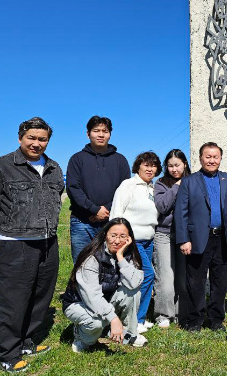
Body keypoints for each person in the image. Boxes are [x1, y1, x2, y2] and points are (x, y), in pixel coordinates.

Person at [0, 117, 64, 373]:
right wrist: (3, 233)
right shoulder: (1, 166)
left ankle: (27, 341)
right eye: (31, 138)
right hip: (16, 245)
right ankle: (7, 353)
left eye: (42, 139)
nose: (37, 144)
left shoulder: (54, 168)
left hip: (48, 242)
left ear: (48, 140)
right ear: (20, 137)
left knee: (39, 296)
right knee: (11, 300)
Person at [174, 142, 227, 332]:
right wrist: (184, 239)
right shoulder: (189, 181)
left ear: (220, 158)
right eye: (208, 156)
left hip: (223, 238)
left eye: (215, 157)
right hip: (197, 238)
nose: (212, 160)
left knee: (220, 281)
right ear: (200, 158)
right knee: (195, 281)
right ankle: (195, 320)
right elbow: (180, 213)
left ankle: (216, 320)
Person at [61, 218, 147, 351]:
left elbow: (134, 284)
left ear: (129, 238)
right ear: (105, 235)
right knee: (96, 322)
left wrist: (120, 257)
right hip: (79, 302)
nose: (117, 241)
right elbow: (92, 297)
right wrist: (113, 318)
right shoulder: (92, 258)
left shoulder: (128, 254)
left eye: (122, 236)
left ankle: (129, 333)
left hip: (105, 300)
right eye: (113, 236)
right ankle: (81, 335)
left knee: (133, 292)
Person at [66, 116, 131, 262]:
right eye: (96, 131)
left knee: (111, 266)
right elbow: (73, 188)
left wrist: (105, 211)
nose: (101, 134)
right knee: (82, 266)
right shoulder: (77, 159)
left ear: (110, 134)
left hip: (111, 223)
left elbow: (125, 190)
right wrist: (94, 210)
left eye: (105, 131)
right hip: (82, 222)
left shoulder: (120, 160)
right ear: (88, 134)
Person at [110, 151, 161, 334]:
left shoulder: (153, 188)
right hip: (133, 240)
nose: (150, 168)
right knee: (146, 275)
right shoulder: (128, 185)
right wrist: (119, 239)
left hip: (149, 239)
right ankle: (133, 320)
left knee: (144, 278)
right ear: (138, 166)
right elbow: (116, 213)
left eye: (153, 165)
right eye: (146, 165)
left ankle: (139, 317)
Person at [153, 149, 191, 328]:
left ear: (185, 164)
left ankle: (179, 312)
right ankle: (163, 314)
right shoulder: (161, 183)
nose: (174, 169)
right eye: (170, 166)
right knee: (166, 276)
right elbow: (162, 206)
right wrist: (176, 186)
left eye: (177, 165)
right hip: (164, 234)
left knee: (182, 277)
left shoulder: (193, 181)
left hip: (186, 235)